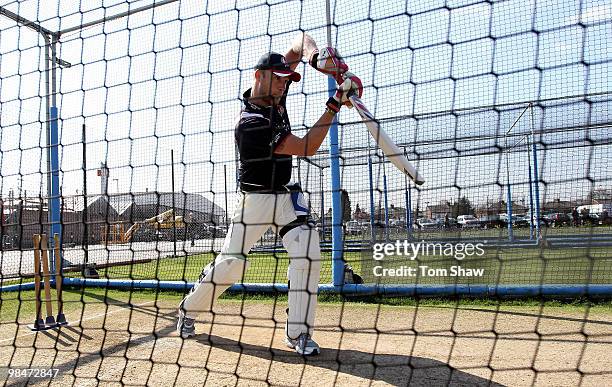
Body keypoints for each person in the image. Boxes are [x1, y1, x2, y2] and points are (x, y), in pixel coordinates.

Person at [177, 33, 362, 356]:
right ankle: (188, 310)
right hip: (255, 201)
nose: (283, 85)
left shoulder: (277, 91)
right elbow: (306, 147)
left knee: (308, 252)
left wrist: (317, 59)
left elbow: (299, 42)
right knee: (232, 266)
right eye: (277, 80)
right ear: (258, 76)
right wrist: (334, 104)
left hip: (287, 195)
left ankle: (299, 333)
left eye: (286, 80)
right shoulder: (250, 123)